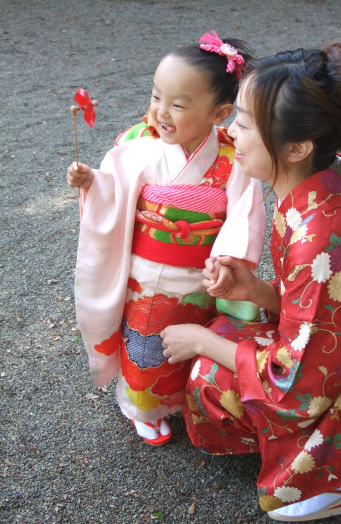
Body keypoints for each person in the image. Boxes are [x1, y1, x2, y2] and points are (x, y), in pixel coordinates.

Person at [160, 42, 341, 520]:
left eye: (245, 123)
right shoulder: (320, 189)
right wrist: (255, 290)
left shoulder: (320, 238)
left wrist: (202, 343)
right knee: (225, 327)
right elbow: (318, 317)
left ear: (296, 147)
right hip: (334, 349)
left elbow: (299, 383)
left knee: (209, 379)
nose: (230, 131)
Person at [67, 32, 267, 446]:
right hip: (143, 275)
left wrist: (227, 262)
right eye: (157, 96)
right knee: (146, 343)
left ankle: (188, 402)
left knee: (192, 339)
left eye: (178, 104)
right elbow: (113, 191)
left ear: (219, 113)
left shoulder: (233, 157)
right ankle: (142, 408)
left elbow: (244, 214)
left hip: (201, 274)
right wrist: (92, 183)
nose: (160, 111)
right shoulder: (139, 145)